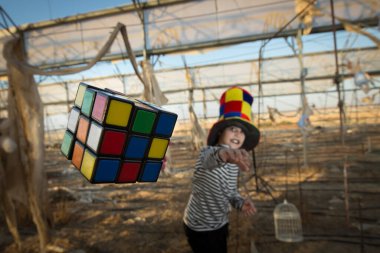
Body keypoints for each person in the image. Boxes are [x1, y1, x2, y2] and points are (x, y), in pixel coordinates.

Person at [183, 86, 260, 253]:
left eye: (242, 132)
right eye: (233, 129)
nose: (238, 133)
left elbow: (230, 190)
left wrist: (240, 202)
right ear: (219, 133)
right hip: (200, 226)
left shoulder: (234, 163)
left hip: (220, 222)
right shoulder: (208, 153)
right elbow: (211, 160)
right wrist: (224, 154)